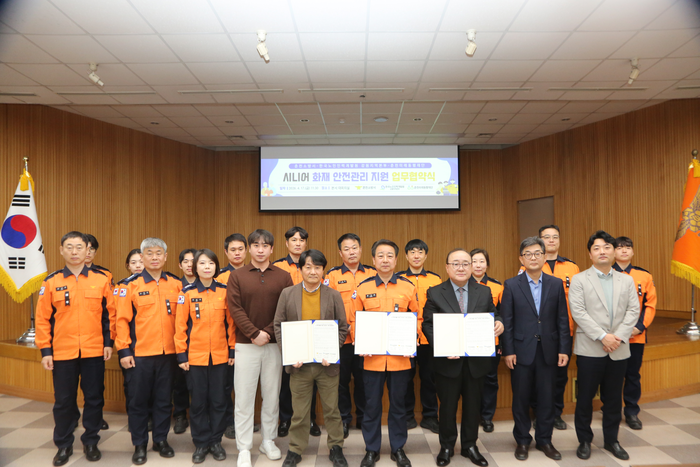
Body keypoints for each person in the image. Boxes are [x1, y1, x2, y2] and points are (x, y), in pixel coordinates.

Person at [36, 231, 116, 466]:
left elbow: (109, 315)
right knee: (63, 401)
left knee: (94, 398)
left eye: (79, 247)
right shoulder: (51, 282)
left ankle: (91, 441)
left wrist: (108, 343)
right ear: (61, 250)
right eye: (69, 247)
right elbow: (42, 319)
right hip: (63, 352)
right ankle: (64, 444)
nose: (74, 252)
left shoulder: (101, 279)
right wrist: (45, 351)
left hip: (94, 350)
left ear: (87, 250)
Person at [422, 249, 503, 467]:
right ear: (447, 267)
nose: (461, 268)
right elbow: (428, 324)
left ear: (472, 267)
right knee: (447, 407)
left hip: (476, 361)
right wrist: (442, 346)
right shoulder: (435, 292)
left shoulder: (484, 291)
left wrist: (499, 322)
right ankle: (447, 446)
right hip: (447, 362)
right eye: (456, 263)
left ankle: (470, 445)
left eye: (465, 263)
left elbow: (494, 314)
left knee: (473, 407)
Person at [274, 249, 349, 467]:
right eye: (308, 267)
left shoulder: (333, 295)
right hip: (299, 365)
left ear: (323, 270)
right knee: (299, 412)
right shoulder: (287, 294)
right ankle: (295, 449)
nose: (313, 271)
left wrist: (331, 352)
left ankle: (336, 447)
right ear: (300, 269)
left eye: (317, 267)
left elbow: (342, 328)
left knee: (332, 410)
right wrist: (290, 354)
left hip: (327, 365)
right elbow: (278, 326)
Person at [569, 230, 640, 461]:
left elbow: (633, 310)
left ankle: (612, 440)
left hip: (618, 348)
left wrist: (617, 337)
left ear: (614, 252)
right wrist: (602, 336)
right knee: (585, 398)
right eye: (597, 248)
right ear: (590, 254)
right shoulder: (579, 279)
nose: (602, 251)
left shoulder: (626, 280)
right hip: (590, 348)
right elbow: (578, 312)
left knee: (613, 398)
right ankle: (584, 440)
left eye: (607, 247)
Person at [228, 229, 293, 467]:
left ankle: (268, 440)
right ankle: (244, 447)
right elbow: (235, 309)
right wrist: (254, 333)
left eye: (265, 245)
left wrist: (267, 332)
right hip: (246, 345)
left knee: (271, 396)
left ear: (272, 249)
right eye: (256, 245)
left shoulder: (284, 276)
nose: (260, 249)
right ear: (249, 249)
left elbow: (286, 309)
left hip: (274, 345)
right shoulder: (237, 276)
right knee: (244, 398)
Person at [501, 237, 571, 461]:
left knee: (547, 398)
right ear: (521, 259)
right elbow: (507, 321)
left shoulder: (555, 284)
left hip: (549, 350)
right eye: (528, 254)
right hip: (521, 351)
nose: (533, 257)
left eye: (537, 253)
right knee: (521, 398)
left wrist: (564, 349)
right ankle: (522, 440)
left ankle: (544, 440)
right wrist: (508, 351)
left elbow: (562, 319)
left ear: (544, 256)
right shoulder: (511, 285)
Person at [352, 240, 420, 467]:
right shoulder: (363, 288)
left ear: (396, 260)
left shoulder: (408, 287)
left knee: (398, 405)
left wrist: (412, 340)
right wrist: (359, 340)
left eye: (390, 255)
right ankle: (371, 449)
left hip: (400, 359)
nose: (385, 260)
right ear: (373, 260)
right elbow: (354, 320)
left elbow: (418, 318)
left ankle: (398, 448)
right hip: (372, 359)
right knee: (371, 406)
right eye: (380, 255)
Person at [116, 237, 182, 465]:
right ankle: (140, 444)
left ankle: (161, 440)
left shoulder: (176, 284)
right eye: (149, 253)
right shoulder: (129, 285)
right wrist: (124, 351)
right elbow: (121, 321)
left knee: (164, 400)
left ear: (165, 257)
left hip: (169, 354)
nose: (154, 257)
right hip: (139, 355)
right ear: (142, 257)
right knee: (138, 402)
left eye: (158, 253)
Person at [175, 249, 236, 463]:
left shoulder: (224, 291)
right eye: (202, 263)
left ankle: (216, 441)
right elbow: (180, 326)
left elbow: (231, 324)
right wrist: (181, 355)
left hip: (220, 356)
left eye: (211, 263)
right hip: (195, 357)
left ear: (216, 266)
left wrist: (232, 350)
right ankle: (201, 443)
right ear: (195, 267)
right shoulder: (186, 293)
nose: (207, 267)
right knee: (199, 402)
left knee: (219, 400)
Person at [326, 233, 376, 438]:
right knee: (341, 381)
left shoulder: (373, 273)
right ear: (340, 253)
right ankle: (344, 419)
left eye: (354, 247)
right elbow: (327, 305)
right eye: (346, 249)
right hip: (343, 339)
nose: (351, 252)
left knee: (365, 380)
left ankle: (364, 418)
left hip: (367, 339)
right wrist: (341, 326)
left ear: (361, 249)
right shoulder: (333, 275)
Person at [273, 227, 319, 436]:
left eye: (302, 240)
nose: (298, 243)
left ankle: (310, 419)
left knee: (312, 378)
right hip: (289, 331)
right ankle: (285, 419)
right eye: (294, 240)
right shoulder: (277, 267)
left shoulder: (314, 265)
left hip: (312, 330)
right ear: (287, 243)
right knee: (287, 379)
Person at [535, 225, 579, 430]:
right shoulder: (531, 264)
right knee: (539, 375)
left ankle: (556, 413)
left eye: (555, 237)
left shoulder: (572, 267)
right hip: (539, 332)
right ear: (540, 241)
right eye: (547, 237)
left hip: (564, 330)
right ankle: (539, 413)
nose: (551, 240)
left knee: (560, 375)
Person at [613, 236, 657, 430]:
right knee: (612, 375)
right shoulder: (605, 274)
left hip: (635, 336)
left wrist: (639, 327)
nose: (624, 250)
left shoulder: (644, 276)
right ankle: (611, 410)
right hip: (612, 337)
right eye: (619, 247)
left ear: (633, 252)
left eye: (628, 247)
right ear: (613, 251)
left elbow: (650, 305)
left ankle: (631, 412)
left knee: (632, 375)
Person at [399, 239, 441, 433]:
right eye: (412, 252)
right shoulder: (398, 278)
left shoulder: (435, 279)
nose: (416, 256)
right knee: (405, 378)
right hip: (405, 335)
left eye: (420, 252)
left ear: (426, 255)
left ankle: (430, 417)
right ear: (406, 256)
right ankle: (407, 416)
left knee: (430, 378)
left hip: (428, 337)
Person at [217, 233, 248, 440]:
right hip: (227, 339)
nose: (237, 253)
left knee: (247, 384)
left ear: (246, 251)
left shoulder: (254, 272)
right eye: (233, 250)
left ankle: (246, 420)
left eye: (240, 249)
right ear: (226, 252)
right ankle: (229, 422)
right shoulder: (219, 278)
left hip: (250, 337)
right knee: (227, 384)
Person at [469, 248, 503, 434]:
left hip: (491, 343)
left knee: (490, 380)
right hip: (468, 342)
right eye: (474, 261)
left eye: (481, 261)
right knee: (470, 380)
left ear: (487, 264)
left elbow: (502, 316)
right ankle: (472, 415)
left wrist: (502, 344)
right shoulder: (461, 285)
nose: (478, 265)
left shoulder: (497, 286)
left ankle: (487, 416)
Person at [172, 248, 197, 435]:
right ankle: (180, 415)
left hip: (201, 343)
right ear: (180, 265)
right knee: (179, 382)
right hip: (179, 342)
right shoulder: (174, 286)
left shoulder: (207, 285)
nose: (190, 265)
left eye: (193, 261)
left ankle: (201, 416)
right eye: (186, 261)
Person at [116, 249, 143, 418]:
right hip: (130, 344)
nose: (138, 265)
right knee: (132, 385)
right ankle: (135, 418)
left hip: (150, 346)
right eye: (133, 262)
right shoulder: (122, 286)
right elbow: (119, 318)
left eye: (141, 261)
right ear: (128, 266)